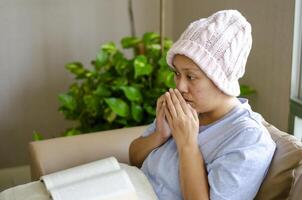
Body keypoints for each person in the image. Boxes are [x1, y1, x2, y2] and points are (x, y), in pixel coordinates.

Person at [129, 10, 276, 200]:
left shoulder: (249, 139)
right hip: (126, 186)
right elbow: (134, 158)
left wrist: (187, 144)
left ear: (221, 80)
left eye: (191, 76)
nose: (180, 86)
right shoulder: (187, 108)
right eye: (177, 73)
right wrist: (160, 134)